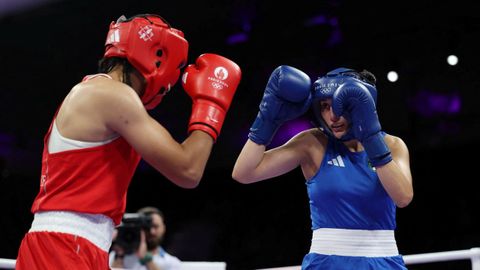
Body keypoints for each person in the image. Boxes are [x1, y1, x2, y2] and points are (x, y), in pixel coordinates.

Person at [15, 13, 241, 270]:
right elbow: (188, 170)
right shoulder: (112, 95)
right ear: (158, 55)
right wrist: (211, 104)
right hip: (65, 246)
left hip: (75, 245)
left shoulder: (97, 91)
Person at [232, 65, 413, 269]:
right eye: (325, 106)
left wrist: (370, 137)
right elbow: (244, 173)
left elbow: (403, 197)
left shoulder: (393, 145)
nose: (332, 116)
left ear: (361, 104)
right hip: (326, 262)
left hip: (383, 261)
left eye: (340, 106)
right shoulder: (313, 143)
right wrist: (267, 120)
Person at [110, 206, 181, 270]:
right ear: (138, 229)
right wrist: (119, 256)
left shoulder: (172, 262)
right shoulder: (117, 256)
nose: (152, 232)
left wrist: (147, 259)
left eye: (156, 226)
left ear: (164, 228)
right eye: (147, 228)